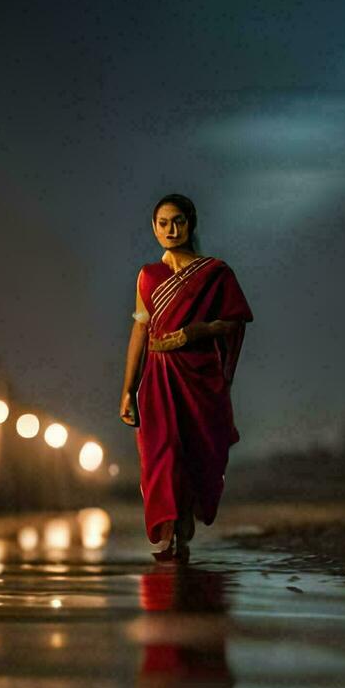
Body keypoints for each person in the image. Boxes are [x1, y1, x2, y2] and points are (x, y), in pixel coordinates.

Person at [119, 193, 253, 562]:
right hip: (158, 376)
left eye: (178, 221)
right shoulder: (148, 275)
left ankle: (184, 524)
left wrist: (194, 333)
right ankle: (171, 532)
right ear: (153, 227)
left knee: (196, 451)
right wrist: (127, 389)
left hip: (199, 377)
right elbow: (140, 332)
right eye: (163, 223)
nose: (170, 229)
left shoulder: (215, 272)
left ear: (191, 223)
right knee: (161, 454)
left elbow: (233, 321)